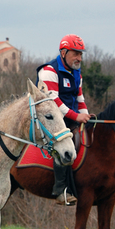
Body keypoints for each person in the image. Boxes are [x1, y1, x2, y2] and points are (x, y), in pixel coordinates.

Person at [36, 34, 90, 206]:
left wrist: (86, 116)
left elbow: (80, 99)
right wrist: (76, 116)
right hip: (50, 119)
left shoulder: (77, 72)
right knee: (64, 143)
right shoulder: (49, 71)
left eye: (81, 54)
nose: (79, 58)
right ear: (64, 52)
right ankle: (60, 191)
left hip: (70, 117)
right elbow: (54, 101)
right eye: (75, 53)